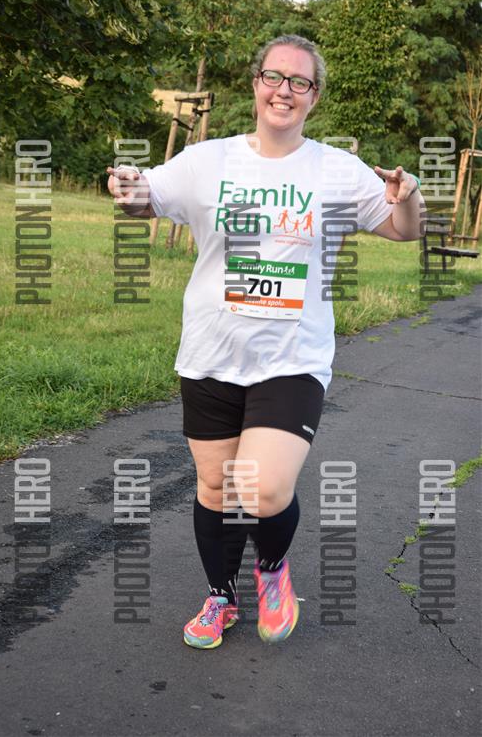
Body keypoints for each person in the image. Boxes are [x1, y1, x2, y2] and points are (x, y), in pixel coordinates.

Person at [107, 34, 424, 650]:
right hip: (212, 351)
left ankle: (273, 568)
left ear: (314, 96)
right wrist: (127, 187)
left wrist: (408, 198)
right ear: (256, 83)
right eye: (274, 77)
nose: (285, 90)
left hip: (294, 356)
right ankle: (220, 597)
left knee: (264, 489)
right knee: (216, 487)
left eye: (299, 82)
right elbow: (148, 200)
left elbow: (403, 230)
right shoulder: (207, 160)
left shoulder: (336, 170)